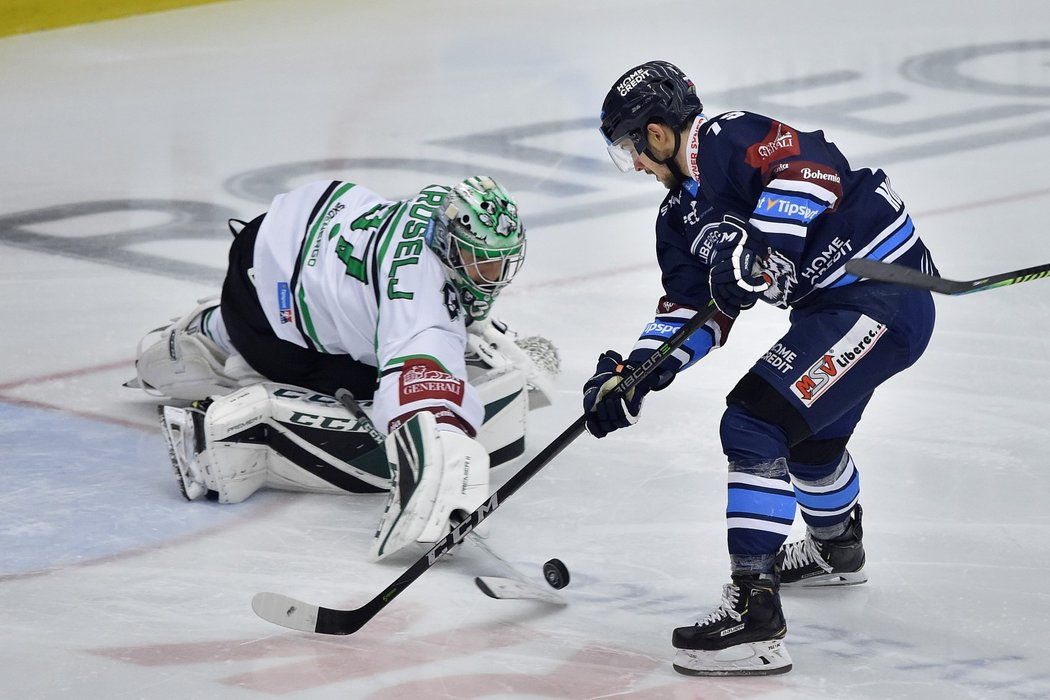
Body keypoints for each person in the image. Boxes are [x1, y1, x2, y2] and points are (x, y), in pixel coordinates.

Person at [586, 61, 937, 676]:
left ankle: (755, 615)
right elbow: (699, 312)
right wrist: (639, 372)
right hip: (835, 312)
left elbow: (812, 169)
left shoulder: (727, 138)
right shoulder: (678, 219)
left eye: (631, 146)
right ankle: (836, 548)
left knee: (753, 423)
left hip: (881, 294)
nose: (635, 163)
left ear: (659, 133)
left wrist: (763, 247)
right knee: (806, 443)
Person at [130, 175, 559, 559]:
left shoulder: (437, 206)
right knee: (372, 394)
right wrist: (442, 485)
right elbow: (422, 400)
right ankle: (243, 394)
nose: (494, 277)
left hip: (273, 240)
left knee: (381, 327)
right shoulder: (422, 309)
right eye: (483, 265)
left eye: (501, 263)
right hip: (268, 324)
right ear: (449, 247)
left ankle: (209, 330)